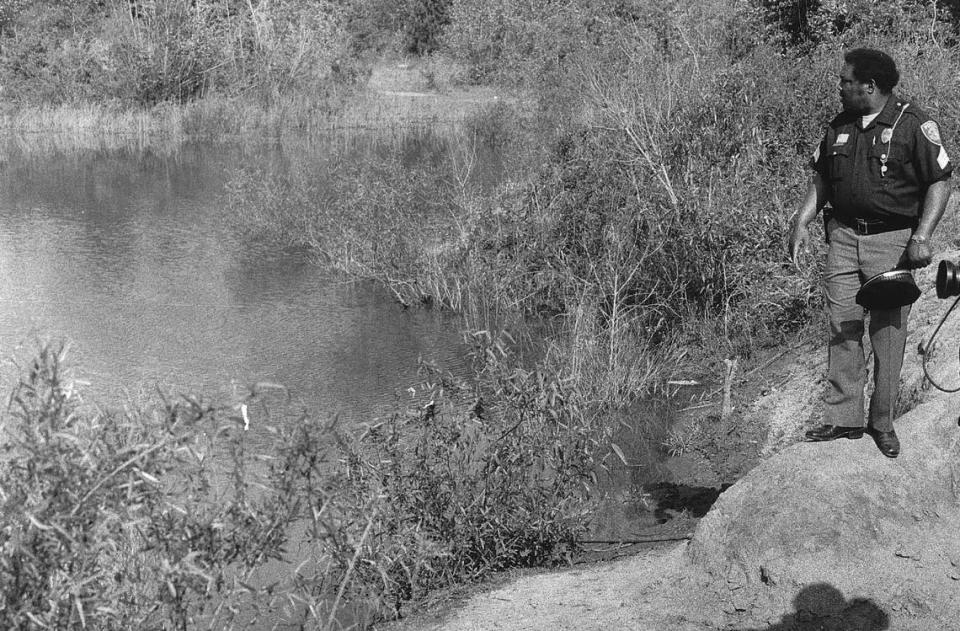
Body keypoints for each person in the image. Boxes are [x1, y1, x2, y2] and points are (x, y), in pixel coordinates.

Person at [788, 48, 953, 458]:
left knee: (888, 335)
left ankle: (882, 423)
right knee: (841, 326)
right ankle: (843, 419)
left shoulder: (913, 123)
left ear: (869, 86)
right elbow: (822, 178)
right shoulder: (839, 125)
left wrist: (922, 236)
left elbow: (940, 182)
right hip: (842, 239)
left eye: (845, 81)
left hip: (892, 243)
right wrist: (801, 220)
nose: (839, 87)